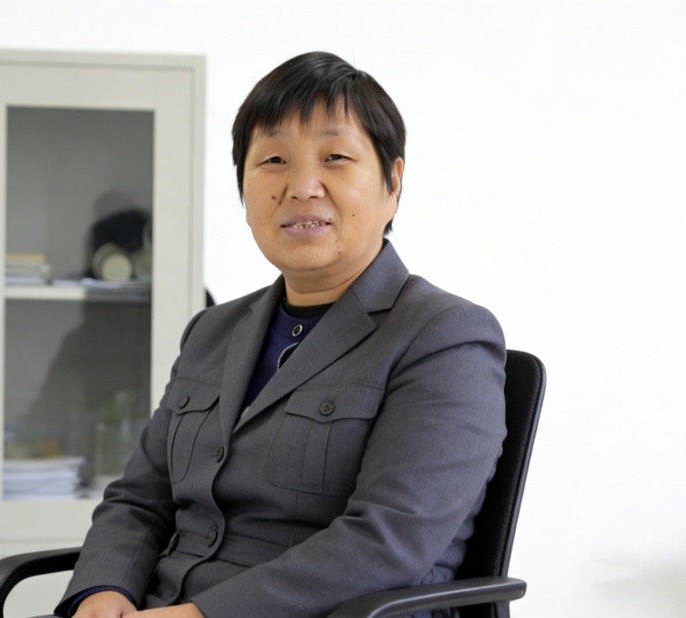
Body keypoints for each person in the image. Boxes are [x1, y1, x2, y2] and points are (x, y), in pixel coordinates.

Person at [54, 51, 507, 618]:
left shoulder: (444, 337)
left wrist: (200, 616)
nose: (302, 187)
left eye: (335, 158)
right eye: (273, 160)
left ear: (393, 183)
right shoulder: (213, 330)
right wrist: (103, 591)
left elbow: (388, 541)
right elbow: (140, 498)